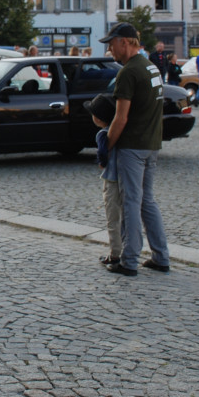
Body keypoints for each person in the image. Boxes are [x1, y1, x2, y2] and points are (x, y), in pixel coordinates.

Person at [97, 22, 171, 276]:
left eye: (112, 44)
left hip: (132, 146)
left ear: (125, 42)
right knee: (147, 201)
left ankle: (129, 261)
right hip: (151, 144)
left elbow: (121, 118)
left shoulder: (128, 72)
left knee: (130, 202)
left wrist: (106, 147)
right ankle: (161, 256)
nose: (110, 50)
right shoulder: (151, 67)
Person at [86, 92, 123, 267]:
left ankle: (115, 253)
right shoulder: (122, 131)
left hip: (111, 178)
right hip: (126, 177)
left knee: (112, 218)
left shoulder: (103, 133)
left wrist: (102, 162)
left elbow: (102, 151)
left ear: (98, 119)